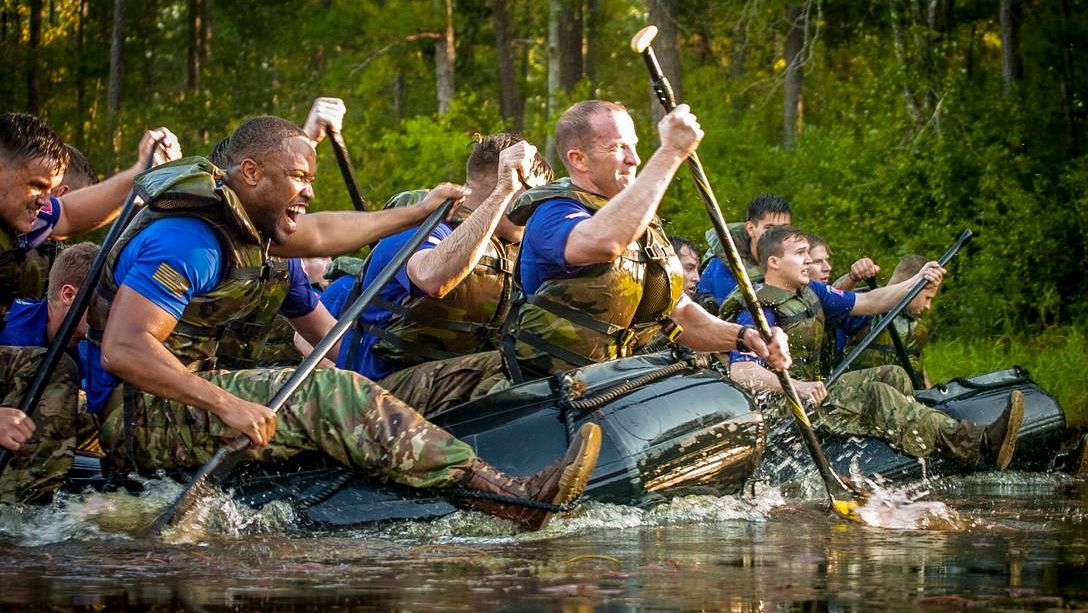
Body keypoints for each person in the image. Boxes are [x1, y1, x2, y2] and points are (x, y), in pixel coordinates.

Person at [79, 115, 599, 530]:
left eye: (312, 180)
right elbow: (124, 349)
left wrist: (419, 213)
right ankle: (510, 499)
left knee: (393, 381)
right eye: (299, 179)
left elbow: (328, 232)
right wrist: (228, 404)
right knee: (329, 392)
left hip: (193, 398)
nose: (307, 193)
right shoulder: (186, 241)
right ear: (252, 173)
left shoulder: (256, 235)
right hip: (143, 415)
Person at [498, 100, 790, 383]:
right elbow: (604, 243)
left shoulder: (639, 222)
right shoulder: (553, 212)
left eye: (634, 146)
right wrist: (671, 152)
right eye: (617, 148)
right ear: (578, 159)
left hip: (612, 386)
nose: (634, 159)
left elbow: (682, 315)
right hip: (545, 393)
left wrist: (745, 337)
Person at [726, 226, 1023, 468]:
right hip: (785, 405)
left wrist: (918, 281)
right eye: (800, 254)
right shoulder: (758, 307)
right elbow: (741, 372)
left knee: (892, 375)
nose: (808, 261)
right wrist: (799, 387)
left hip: (815, 391)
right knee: (875, 394)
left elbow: (870, 301)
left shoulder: (811, 291)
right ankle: (977, 444)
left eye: (808, 253)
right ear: (774, 262)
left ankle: (921, 443)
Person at [322, 133, 551, 414]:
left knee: (548, 358)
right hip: (374, 395)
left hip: (437, 386)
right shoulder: (427, 226)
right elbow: (432, 277)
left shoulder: (511, 250)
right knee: (517, 363)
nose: (535, 210)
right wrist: (502, 193)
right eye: (531, 197)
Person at [0, 112, 182, 321]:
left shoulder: (18, 211)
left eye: (50, 190)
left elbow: (68, 214)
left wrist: (143, 172)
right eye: (37, 186)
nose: (44, 201)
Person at [839, 254, 935, 387]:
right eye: (927, 298)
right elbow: (829, 303)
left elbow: (917, 367)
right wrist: (851, 277)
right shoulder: (866, 308)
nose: (928, 306)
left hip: (905, 400)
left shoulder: (916, 325)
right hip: (862, 396)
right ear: (912, 287)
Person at [693, 194, 792, 313]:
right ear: (750, 228)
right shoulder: (724, 265)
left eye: (784, 229)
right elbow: (731, 316)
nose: (778, 235)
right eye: (769, 228)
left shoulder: (797, 257)